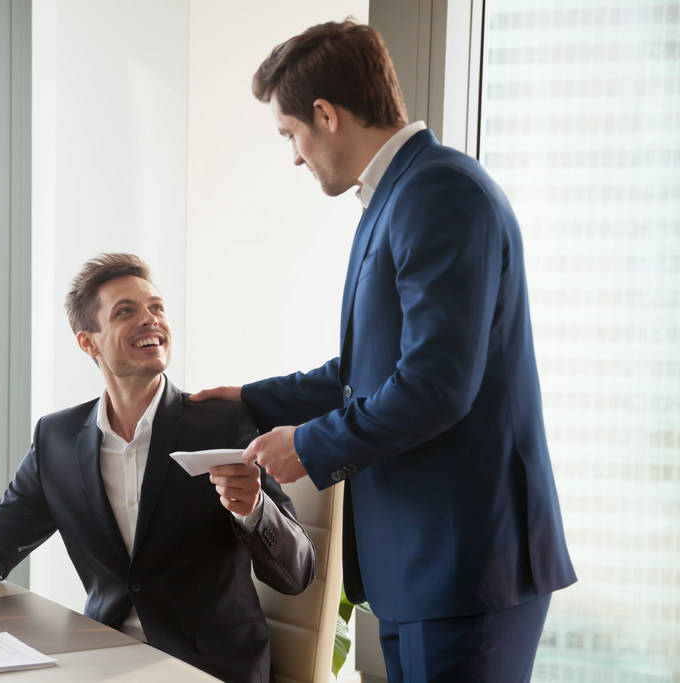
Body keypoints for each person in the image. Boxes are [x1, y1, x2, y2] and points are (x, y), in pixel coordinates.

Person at [193, 20, 576, 682]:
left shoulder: (440, 194)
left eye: (291, 134)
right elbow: (366, 372)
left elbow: (434, 384)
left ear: (326, 114)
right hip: (424, 568)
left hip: (464, 567)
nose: (294, 155)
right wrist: (253, 397)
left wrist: (306, 445)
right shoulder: (399, 196)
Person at [0, 253, 315, 683]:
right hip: (102, 660)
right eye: (126, 311)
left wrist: (254, 510)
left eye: (156, 307)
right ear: (88, 341)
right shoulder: (57, 438)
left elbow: (298, 574)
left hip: (209, 668)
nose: (151, 320)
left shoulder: (225, 422)